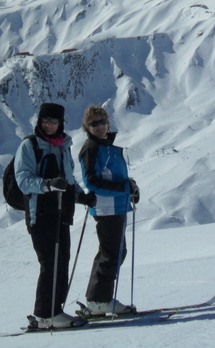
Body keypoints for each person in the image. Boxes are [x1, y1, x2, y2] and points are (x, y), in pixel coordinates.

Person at [14, 102, 96, 329]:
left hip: (61, 214)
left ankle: (55, 310)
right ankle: (44, 314)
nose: (48, 124)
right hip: (39, 214)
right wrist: (48, 184)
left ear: (61, 123)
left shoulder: (62, 146)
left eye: (53, 120)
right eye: (44, 120)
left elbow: (68, 181)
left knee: (61, 263)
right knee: (50, 263)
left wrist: (81, 197)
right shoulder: (30, 146)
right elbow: (23, 179)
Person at [78, 105, 140, 316]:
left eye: (102, 122)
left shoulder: (104, 146)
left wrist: (130, 187)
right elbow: (91, 182)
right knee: (111, 253)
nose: (99, 126)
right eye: (94, 124)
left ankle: (97, 299)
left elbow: (113, 176)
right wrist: (124, 188)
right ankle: (99, 300)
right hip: (107, 209)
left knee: (113, 252)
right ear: (87, 127)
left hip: (116, 206)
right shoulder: (92, 148)